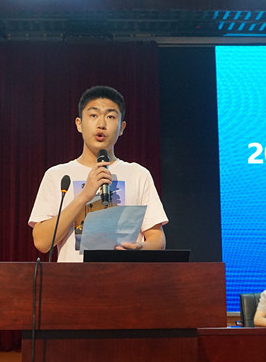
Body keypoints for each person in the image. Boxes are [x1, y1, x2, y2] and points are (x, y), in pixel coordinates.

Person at [28, 86, 168, 262]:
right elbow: (41, 242)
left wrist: (139, 248)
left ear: (122, 127)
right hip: (75, 277)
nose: (101, 124)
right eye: (93, 115)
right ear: (79, 124)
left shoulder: (138, 174)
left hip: (125, 275)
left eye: (111, 117)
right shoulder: (58, 175)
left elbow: (157, 239)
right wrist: (84, 196)